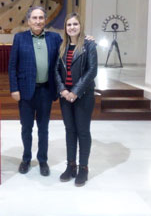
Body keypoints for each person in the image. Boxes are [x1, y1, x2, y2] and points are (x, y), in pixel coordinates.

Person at [8, 6, 62, 176]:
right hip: (25, 91)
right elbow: (12, 66)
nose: (38, 21)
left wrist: (86, 39)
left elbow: (70, 48)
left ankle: (43, 160)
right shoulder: (20, 38)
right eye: (34, 18)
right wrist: (14, 88)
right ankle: (25, 158)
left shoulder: (55, 38)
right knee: (26, 128)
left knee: (43, 128)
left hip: (46, 90)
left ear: (45, 20)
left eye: (41, 18)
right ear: (28, 21)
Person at [54, 12, 97, 187]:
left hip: (84, 96)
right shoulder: (62, 47)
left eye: (75, 24)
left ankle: (83, 168)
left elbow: (92, 70)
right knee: (70, 130)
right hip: (66, 96)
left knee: (83, 131)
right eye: (69, 24)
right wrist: (63, 90)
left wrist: (76, 91)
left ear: (80, 26)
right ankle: (70, 165)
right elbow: (56, 70)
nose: (72, 27)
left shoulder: (89, 45)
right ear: (65, 28)